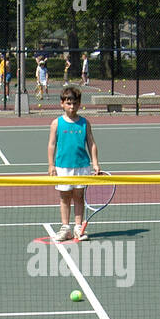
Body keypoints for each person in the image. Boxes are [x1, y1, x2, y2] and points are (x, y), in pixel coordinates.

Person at [46, 84, 100, 241]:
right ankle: (65, 228)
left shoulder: (84, 123)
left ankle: (78, 227)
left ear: (79, 103)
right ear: (62, 103)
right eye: (68, 103)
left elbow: (91, 143)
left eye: (75, 103)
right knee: (64, 197)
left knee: (79, 196)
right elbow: (51, 144)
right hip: (62, 166)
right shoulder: (56, 123)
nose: (72, 106)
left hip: (82, 165)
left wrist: (95, 163)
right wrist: (51, 165)